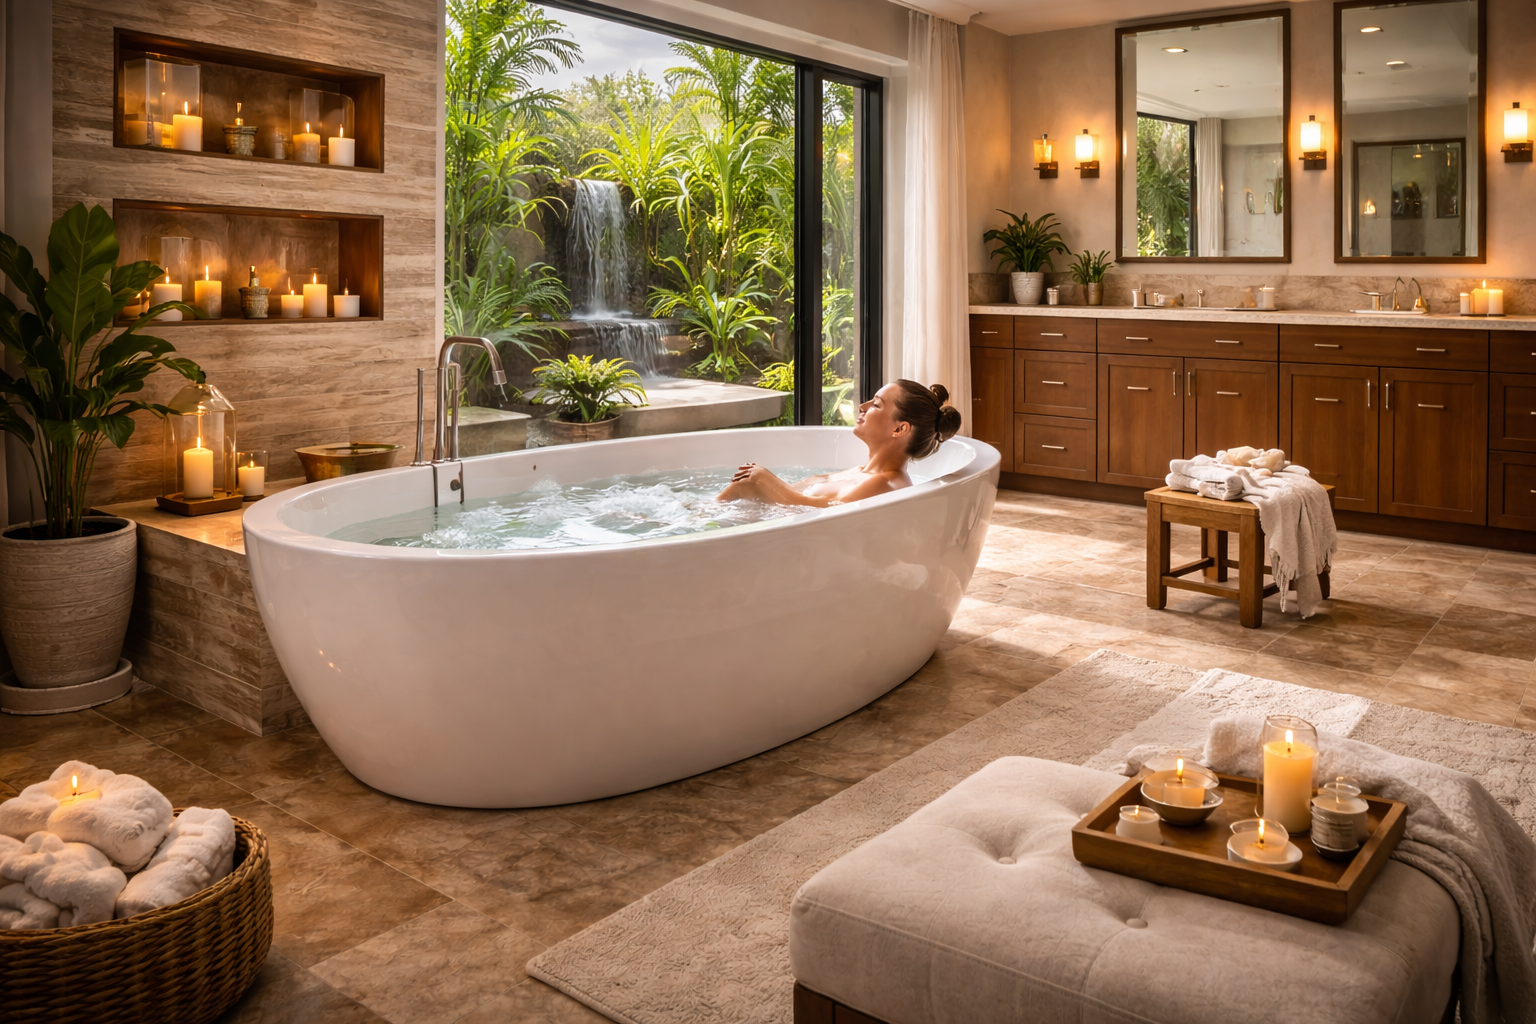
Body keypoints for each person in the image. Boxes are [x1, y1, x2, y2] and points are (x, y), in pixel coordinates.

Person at [717, 380, 963, 507]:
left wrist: (762, 478)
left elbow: (823, 514)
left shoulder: (887, 483)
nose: (863, 406)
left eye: (876, 405)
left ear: (900, 429)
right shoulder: (861, 473)